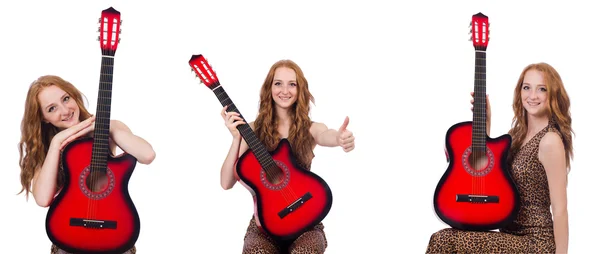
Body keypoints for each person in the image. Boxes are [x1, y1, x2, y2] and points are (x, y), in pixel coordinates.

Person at [426, 62, 572, 253]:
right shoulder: (516, 135)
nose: (532, 96)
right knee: (447, 237)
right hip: (509, 235)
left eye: (541, 89)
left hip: (535, 243)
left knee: (444, 240)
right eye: (526, 87)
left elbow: (560, 210)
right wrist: (486, 122)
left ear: (552, 94)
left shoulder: (550, 140)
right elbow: (486, 172)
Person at [219, 59, 355, 254]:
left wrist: (340, 138)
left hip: (307, 222)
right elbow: (226, 182)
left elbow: (327, 135)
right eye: (278, 83)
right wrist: (236, 139)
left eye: (292, 84)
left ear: (300, 90)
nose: (285, 90)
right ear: (269, 88)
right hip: (264, 225)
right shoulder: (251, 130)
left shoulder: (311, 128)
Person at [17, 75, 156, 254]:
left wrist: (105, 126)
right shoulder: (45, 146)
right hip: (70, 235)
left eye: (66, 99)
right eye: (52, 108)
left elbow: (147, 155)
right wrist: (57, 143)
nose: (65, 110)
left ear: (74, 96)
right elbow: (43, 199)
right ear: (43, 118)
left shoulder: (112, 128)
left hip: (115, 232)